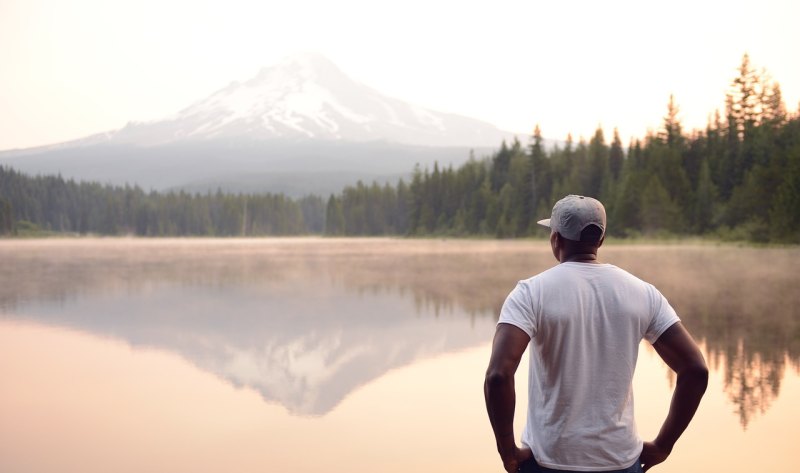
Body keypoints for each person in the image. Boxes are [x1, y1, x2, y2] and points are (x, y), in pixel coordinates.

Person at [484, 195, 708, 473]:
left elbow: (498, 376)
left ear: (556, 239)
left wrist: (508, 451)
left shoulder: (531, 293)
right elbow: (695, 370)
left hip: (548, 462)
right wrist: (664, 444)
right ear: (599, 241)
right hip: (621, 462)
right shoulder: (643, 293)